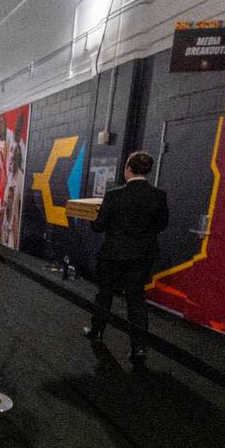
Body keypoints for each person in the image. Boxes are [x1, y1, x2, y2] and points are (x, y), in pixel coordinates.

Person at [83, 150, 169, 362]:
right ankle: (139, 347)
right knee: (136, 299)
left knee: (105, 294)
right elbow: (162, 225)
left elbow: (99, 226)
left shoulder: (114, 195)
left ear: (128, 170)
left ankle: (97, 331)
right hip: (142, 256)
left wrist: (92, 216)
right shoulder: (159, 195)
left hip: (113, 254)